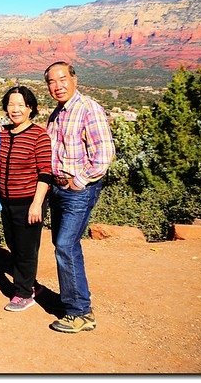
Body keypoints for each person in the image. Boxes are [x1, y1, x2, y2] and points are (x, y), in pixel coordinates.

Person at [44, 62, 115, 333]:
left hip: (78, 190)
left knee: (65, 244)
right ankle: (74, 303)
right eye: (52, 81)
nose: (57, 85)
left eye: (63, 79)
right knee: (66, 245)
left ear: (74, 79)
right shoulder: (58, 113)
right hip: (59, 188)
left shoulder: (88, 108)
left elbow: (104, 154)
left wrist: (80, 180)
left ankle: (80, 312)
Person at [0, 85, 53, 312]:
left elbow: (45, 173)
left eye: (21, 105)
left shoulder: (39, 135)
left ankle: (23, 292)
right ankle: (30, 284)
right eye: (11, 104)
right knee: (14, 244)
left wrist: (37, 203)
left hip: (29, 201)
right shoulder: (3, 134)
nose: (16, 109)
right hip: (6, 201)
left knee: (26, 248)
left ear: (30, 108)